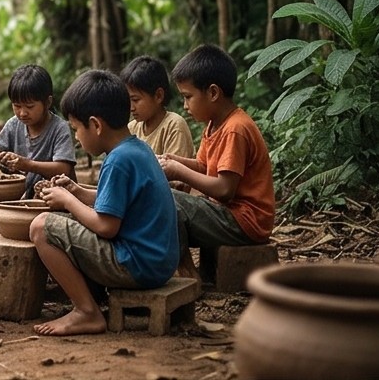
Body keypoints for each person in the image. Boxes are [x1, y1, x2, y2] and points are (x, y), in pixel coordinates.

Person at [30, 69, 179, 336]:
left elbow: (107, 226)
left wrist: (66, 202)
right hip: (158, 262)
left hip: (137, 265)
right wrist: (76, 191)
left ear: (96, 125)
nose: (76, 137)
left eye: (76, 129)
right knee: (64, 220)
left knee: (41, 227)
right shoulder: (135, 149)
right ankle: (91, 300)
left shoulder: (118, 161)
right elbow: (116, 201)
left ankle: (86, 312)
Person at [159, 44, 275, 282]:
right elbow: (203, 166)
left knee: (168, 199)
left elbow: (224, 190)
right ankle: (190, 269)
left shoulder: (236, 129)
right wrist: (170, 159)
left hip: (246, 222)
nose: (184, 106)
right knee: (167, 199)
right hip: (230, 216)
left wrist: (178, 172)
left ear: (213, 93)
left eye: (188, 97)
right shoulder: (214, 124)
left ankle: (187, 274)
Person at [0, 64, 77, 198]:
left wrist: (27, 165)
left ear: (48, 102)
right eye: (17, 106)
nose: (22, 113)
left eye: (30, 106)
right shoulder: (14, 124)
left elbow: (63, 168)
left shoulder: (59, 128)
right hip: (27, 196)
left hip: (60, 198)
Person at [120, 55, 195, 190]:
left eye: (136, 100)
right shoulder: (131, 128)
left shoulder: (174, 125)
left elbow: (177, 184)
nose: (131, 107)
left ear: (158, 96)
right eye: (128, 100)